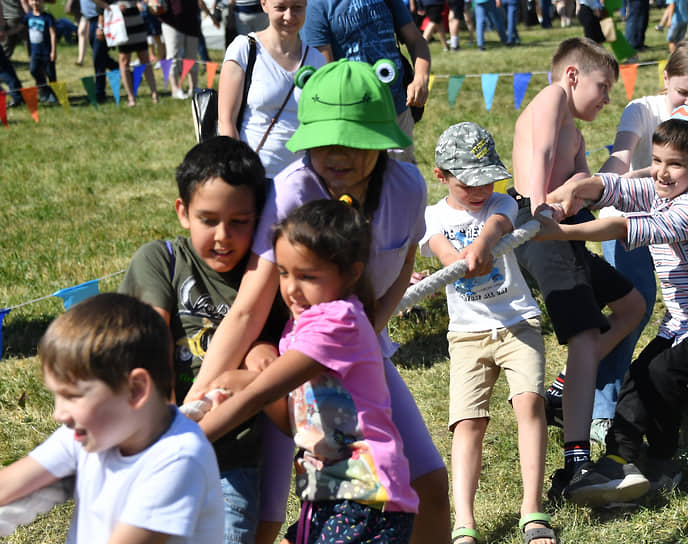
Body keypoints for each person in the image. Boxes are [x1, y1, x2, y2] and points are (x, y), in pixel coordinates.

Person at [186, 59, 452, 544]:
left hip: (348, 349)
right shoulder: (292, 190)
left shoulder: (407, 186)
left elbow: (404, 260)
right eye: (323, 139)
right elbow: (249, 308)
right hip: (282, 352)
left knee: (429, 484)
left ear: (379, 141)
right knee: (268, 523)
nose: (336, 154)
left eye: (352, 140)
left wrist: (365, 342)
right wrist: (189, 408)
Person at [544, 40, 688, 450]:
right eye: (683, 91)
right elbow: (621, 164)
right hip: (636, 204)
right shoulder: (642, 110)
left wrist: (569, 230)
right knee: (636, 303)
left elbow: (673, 202)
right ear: (665, 80)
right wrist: (585, 191)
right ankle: (603, 406)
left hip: (668, 224)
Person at [196, 199, 420, 544]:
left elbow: (260, 393)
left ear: (352, 272)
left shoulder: (338, 322)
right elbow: (293, 423)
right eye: (283, 272)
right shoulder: (298, 330)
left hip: (364, 498)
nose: (290, 289)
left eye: (307, 276)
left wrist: (187, 439)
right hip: (326, 496)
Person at [118, 136, 290, 544]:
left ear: (260, 218)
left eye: (240, 221)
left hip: (231, 464)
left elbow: (270, 362)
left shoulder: (265, 284)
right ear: (183, 212)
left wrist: (262, 357)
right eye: (208, 219)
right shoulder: (161, 260)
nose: (223, 236)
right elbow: (150, 345)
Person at [510, 36, 646, 504]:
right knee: (586, 336)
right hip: (538, 230)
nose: (608, 97)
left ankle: (562, 390)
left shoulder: (579, 131)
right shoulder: (550, 99)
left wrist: (649, 178)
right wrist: (538, 209)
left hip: (563, 234)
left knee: (631, 306)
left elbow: (591, 191)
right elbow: (540, 156)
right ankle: (576, 465)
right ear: (572, 76)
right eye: (603, 86)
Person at [421, 122, 556, 544]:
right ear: (441, 176)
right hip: (466, 335)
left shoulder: (501, 204)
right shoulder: (433, 216)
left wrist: (481, 244)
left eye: (487, 179)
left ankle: (532, 511)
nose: (480, 190)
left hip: (518, 322)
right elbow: (442, 250)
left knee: (530, 403)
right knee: (467, 424)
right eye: (468, 183)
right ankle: (465, 523)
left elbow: (498, 222)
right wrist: (458, 256)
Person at [0, 293, 225, 543]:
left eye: (72, 396)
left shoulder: (179, 460)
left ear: (136, 390)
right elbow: (8, 485)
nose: (58, 414)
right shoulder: (93, 432)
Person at [301, 0, 431, 164]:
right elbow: (327, 72)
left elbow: (415, 40)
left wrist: (421, 78)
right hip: (356, 121)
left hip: (397, 112)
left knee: (401, 182)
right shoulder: (317, 5)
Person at [218, 0, 325, 179]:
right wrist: (238, 172)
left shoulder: (317, 60)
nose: (289, 16)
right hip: (254, 177)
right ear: (264, 5)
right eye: (281, 8)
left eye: (297, 8)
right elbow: (226, 121)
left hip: (303, 179)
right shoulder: (244, 49)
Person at [107, 0, 159, 105]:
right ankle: (131, 97)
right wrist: (115, 7)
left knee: (144, 56)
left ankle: (154, 93)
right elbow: (101, 3)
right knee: (124, 60)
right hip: (120, 23)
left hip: (136, 20)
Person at [161, 0, 212, 99]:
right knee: (173, 55)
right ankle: (175, 89)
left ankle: (193, 88)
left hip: (191, 19)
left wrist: (210, 15)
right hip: (171, 20)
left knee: (192, 56)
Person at [22, 0, 58, 104]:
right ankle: (45, 90)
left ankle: (54, 95)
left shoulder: (47, 17)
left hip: (47, 52)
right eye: (32, 0)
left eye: (38, 0)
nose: (35, 3)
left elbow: (53, 34)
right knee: (33, 70)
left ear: (42, 2)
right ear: (29, 2)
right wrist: (7, 33)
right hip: (35, 53)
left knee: (51, 75)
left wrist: (53, 51)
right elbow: (19, 27)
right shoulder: (28, 17)